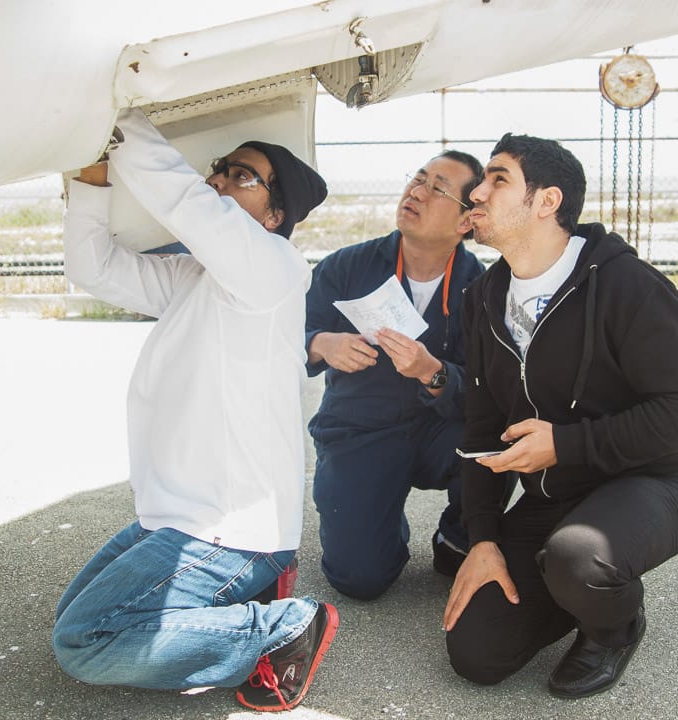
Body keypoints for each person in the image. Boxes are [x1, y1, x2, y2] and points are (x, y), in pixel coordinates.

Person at [52, 108, 339, 713]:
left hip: (229, 529)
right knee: (74, 618)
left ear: (274, 217)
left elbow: (188, 207)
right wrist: (92, 169)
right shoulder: (192, 277)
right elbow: (92, 266)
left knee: (83, 641)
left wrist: (115, 117)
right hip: (175, 515)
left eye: (242, 177)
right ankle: (250, 605)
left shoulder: (274, 269)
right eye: (219, 170)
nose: (218, 181)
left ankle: (280, 627)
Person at [443, 132, 678, 699]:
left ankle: (613, 624)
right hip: (556, 495)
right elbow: (480, 429)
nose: (477, 190)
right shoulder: (483, 300)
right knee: (477, 653)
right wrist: (482, 539)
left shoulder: (622, 282)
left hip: (650, 478)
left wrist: (567, 445)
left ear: (547, 202)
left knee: (580, 556)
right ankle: (579, 585)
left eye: (499, 179)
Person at [305, 150, 488, 600]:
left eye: (438, 188)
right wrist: (320, 343)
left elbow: (489, 390)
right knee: (359, 579)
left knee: (493, 438)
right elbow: (286, 331)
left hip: (439, 431)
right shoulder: (346, 267)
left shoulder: (483, 289)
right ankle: (380, 512)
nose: (417, 191)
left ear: (467, 221)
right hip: (360, 432)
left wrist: (433, 373)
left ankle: (455, 539)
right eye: (419, 178)